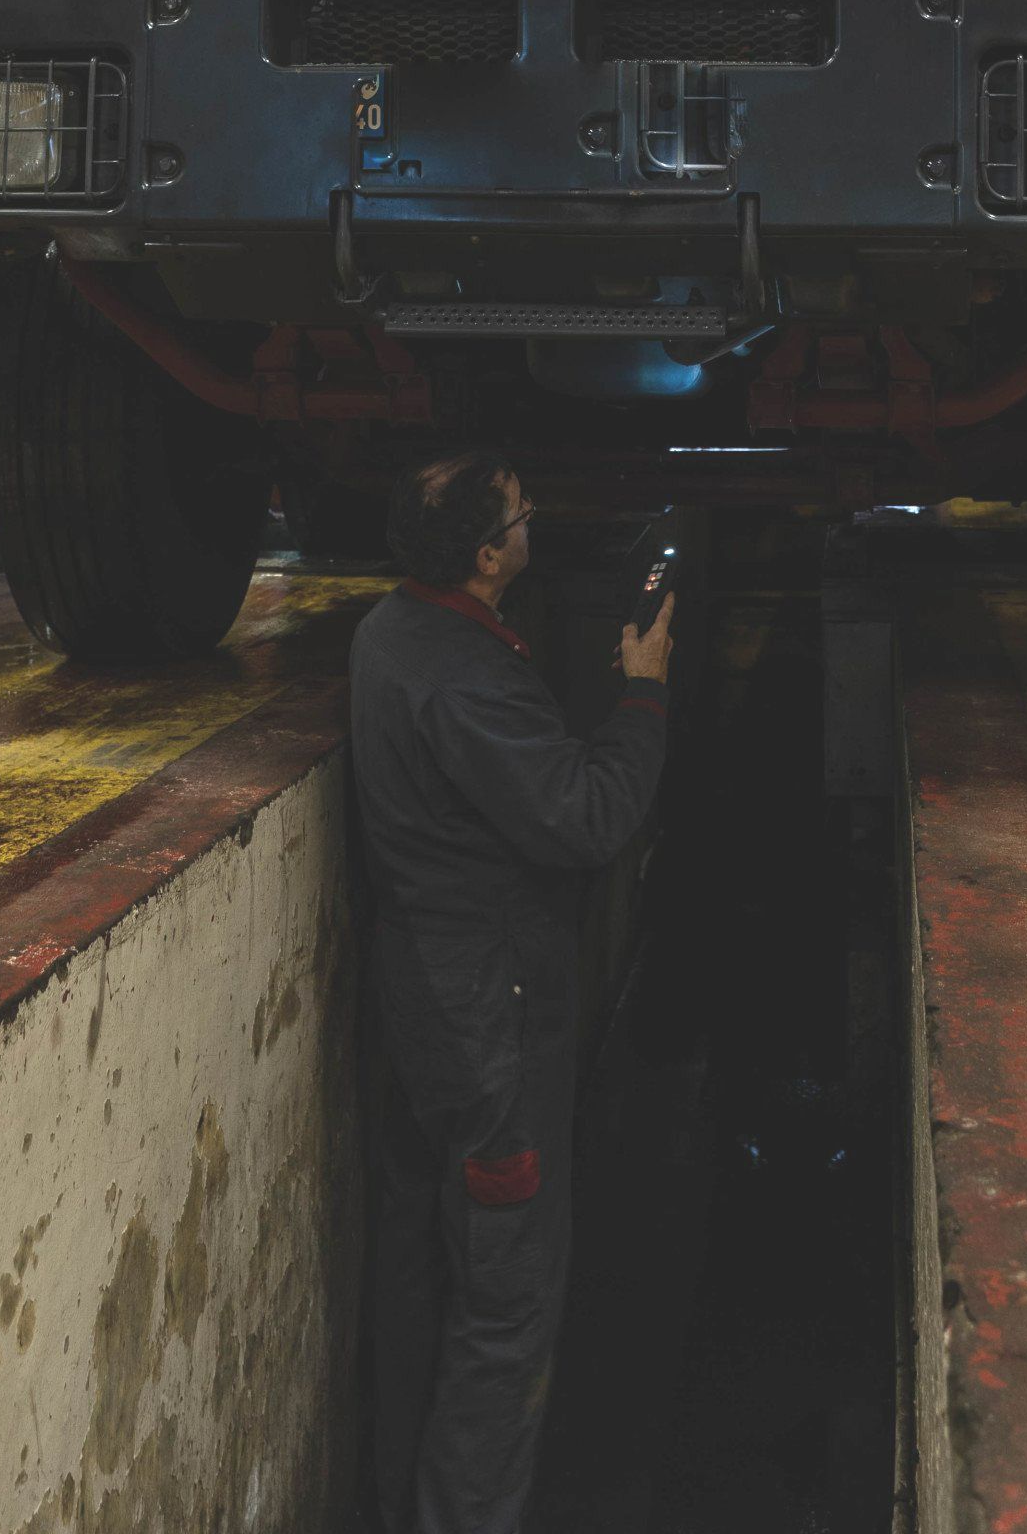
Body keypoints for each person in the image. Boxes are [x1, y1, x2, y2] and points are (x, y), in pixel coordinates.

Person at [352, 451, 675, 1534]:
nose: (539, 524)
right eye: (526, 518)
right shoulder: (466, 679)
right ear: (490, 556)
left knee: (419, 1265)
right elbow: (585, 816)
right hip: (492, 1014)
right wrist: (643, 690)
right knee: (506, 1305)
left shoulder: (393, 630)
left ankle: (403, 1500)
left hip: (425, 1000)